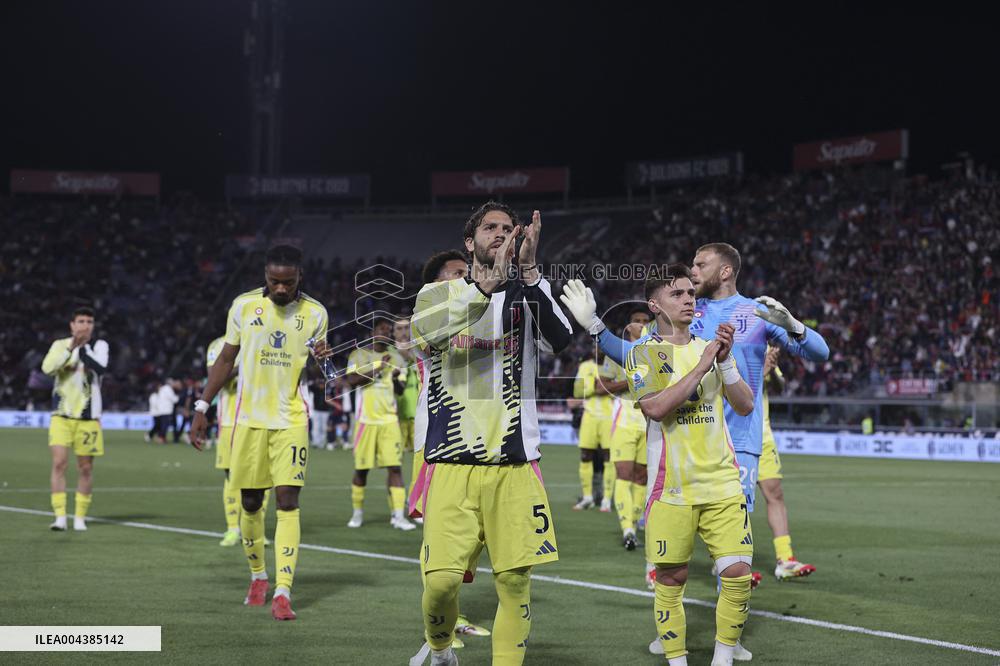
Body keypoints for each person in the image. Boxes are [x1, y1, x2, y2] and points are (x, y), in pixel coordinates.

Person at [563, 266, 756, 666]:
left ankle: (722, 659)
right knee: (671, 580)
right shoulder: (644, 354)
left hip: (722, 483)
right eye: (677, 294)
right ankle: (676, 660)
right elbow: (655, 408)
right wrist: (704, 364)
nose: (689, 299)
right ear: (655, 306)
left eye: (690, 293)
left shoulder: (711, 345)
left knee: (737, 575)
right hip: (672, 489)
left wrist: (725, 362)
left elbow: (745, 404)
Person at [410, 203, 572, 666]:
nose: (500, 233)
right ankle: (440, 649)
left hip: (515, 465)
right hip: (452, 464)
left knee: (515, 582)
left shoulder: (526, 296)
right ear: (470, 240)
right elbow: (430, 334)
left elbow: (561, 339)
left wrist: (530, 272)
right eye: (490, 227)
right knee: (441, 582)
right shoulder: (434, 295)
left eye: (508, 228)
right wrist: (486, 284)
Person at [189, 244, 329, 622]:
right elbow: (225, 359)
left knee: (287, 500)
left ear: (300, 276)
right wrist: (202, 407)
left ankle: (283, 591)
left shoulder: (316, 314)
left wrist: (326, 361)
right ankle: (258, 576)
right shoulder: (243, 307)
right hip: (248, 420)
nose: (281, 289)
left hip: (291, 420)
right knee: (251, 502)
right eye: (274, 282)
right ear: (265, 277)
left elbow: (320, 367)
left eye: (288, 282)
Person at [342, 315, 415, 531]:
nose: (385, 333)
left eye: (388, 329)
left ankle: (399, 516)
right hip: (366, 420)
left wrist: (394, 378)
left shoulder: (398, 359)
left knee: (395, 468)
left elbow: (400, 390)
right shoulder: (359, 354)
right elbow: (352, 381)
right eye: (381, 329)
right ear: (372, 332)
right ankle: (357, 514)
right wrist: (378, 368)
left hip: (389, 420)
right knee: (361, 470)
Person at [41, 306, 109, 532]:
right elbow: (48, 368)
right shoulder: (59, 345)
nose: (85, 325)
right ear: (72, 324)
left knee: (85, 468)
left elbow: (101, 368)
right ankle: (60, 516)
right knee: (59, 463)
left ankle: (79, 517)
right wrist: (71, 346)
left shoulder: (99, 346)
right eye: (81, 321)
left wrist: (82, 349)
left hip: (89, 418)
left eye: (89, 321)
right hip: (61, 415)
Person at [207, 335, 273, 547]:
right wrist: (243, 366)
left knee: (263, 476)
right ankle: (233, 529)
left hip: (260, 418)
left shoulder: (264, 338)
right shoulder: (218, 345)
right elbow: (213, 377)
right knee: (232, 476)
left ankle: (256, 530)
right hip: (229, 420)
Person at [758, 345, 816, 579]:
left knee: (775, 494)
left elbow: (780, 387)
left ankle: (785, 559)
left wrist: (771, 371)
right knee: (730, 501)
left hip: (762, 435)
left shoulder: (761, 348)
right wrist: (760, 373)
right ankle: (726, 561)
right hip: (732, 436)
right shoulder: (725, 346)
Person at [608, 322, 648, 551]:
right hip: (623, 422)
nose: (640, 324)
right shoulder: (617, 354)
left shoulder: (655, 352)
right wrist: (629, 380)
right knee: (623, 474)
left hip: (647, 422)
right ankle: (627, 529)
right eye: (637, 321)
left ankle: (634, 525)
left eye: (644, 321)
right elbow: (602, 385)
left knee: (641, 478)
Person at [571, 347, 617, 511]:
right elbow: (577, 392)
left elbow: (619, 390)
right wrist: (594, 387)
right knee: (585, 455)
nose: (600, 350)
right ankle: (587, 497)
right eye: (596, 347)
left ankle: (606, 499)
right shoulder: (585, 367)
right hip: (589, 416)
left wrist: (606, 388)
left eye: (603, 348)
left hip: (609, 417)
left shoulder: (615, 365)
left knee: (608, 457)